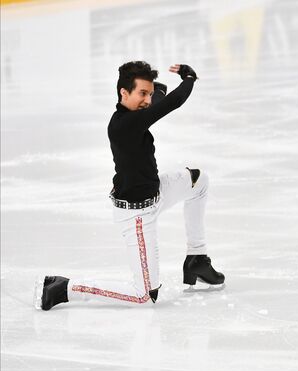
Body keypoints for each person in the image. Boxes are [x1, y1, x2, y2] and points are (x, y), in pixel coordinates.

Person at [35, 61, 225, 311]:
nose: (146, 100)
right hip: (137, 215)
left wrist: (154, 91)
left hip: (156, 193)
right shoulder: (125, 125)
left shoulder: (136, 115)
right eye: (141, 94)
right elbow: (172, 101)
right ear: (123, 93)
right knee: (145, 296)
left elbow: (157, 99)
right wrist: (189, 77)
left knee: (198, 181)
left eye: (148, 93)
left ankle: (197, 258)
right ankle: (63, 289)